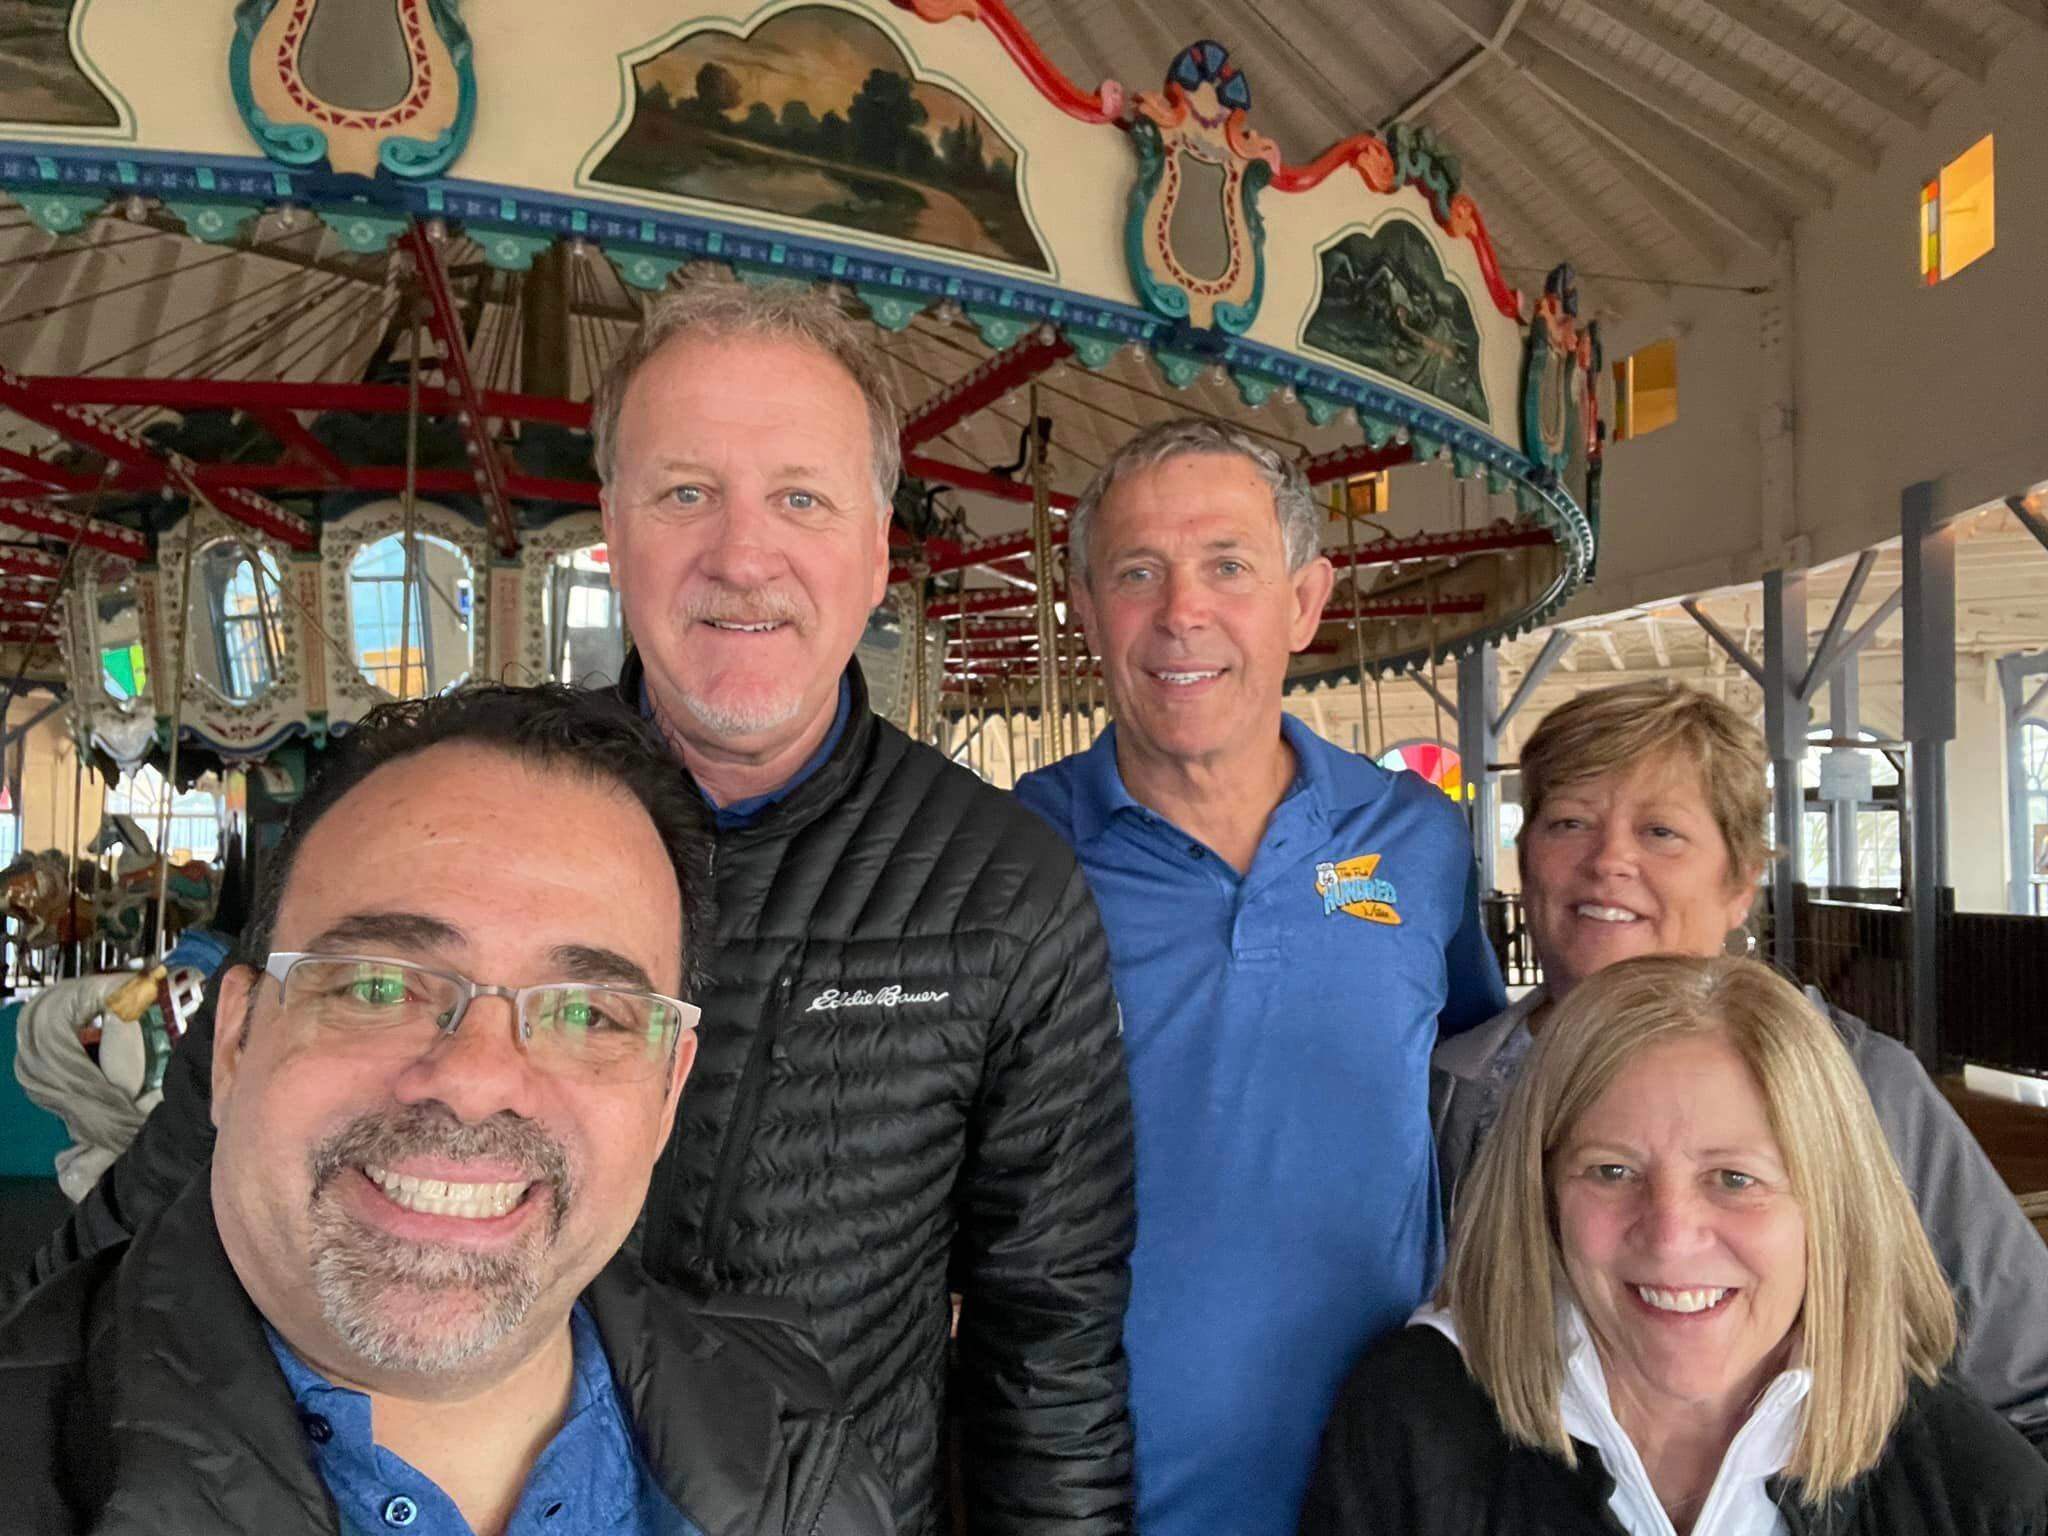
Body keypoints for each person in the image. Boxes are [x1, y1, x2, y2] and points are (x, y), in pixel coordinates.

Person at [24, 279, 1136, 1536]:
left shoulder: (1005, 890)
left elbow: (1047, 1335)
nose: (740, 554)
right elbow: (151, 1208)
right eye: (683, 492)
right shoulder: (434, 814)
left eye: (801, 497)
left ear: (876, 546)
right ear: (612, 525)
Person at [0, 684, 891, 1534]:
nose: (474, 1079)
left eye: (586, 1012)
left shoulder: (807, 1475)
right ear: (234, 1041)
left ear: (667, 1091)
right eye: (380, 984)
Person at [1016, 417, 1507, 1536]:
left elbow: (1472, 1097)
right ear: (1084, 611)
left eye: (1226, 567)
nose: (1181, 611)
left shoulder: (1416, 839)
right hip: (1095, 1488)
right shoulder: (1009, 854)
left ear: (1302, 599)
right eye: (1136, 573)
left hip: (1384, 1480)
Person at [1432, 678, 2048, 1447]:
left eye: (1660, 831)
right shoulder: (1450, 1090)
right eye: (1568, 822)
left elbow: (2029, 1380)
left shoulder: (1859, 1085)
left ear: (1739, 882)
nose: (1608, 860)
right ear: (1525, 863)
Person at [1303, 954, 2048, 1535]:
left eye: (1734, 1178)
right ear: (1541, 1191)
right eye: (1612, 1170)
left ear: (1832, 1205)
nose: (1668, 1233)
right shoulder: (1412, 1419)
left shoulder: (1969, 1482)